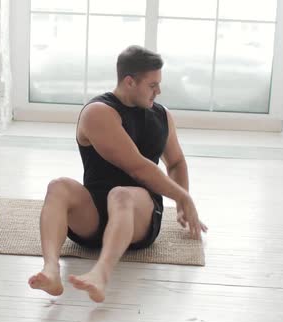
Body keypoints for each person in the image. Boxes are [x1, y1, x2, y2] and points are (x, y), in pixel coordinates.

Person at [28, 45, 207, 302]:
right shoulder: (98, 113)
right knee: (58, 186)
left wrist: (181, 201)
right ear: (129, 81)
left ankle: (100, 274)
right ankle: (50, 270)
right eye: (152, 85)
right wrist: (184, 198)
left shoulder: (162, 115)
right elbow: (137, 167)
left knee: (121, 194)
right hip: (94, 215)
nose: (159, 91)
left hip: (139, 216)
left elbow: (176, 162)